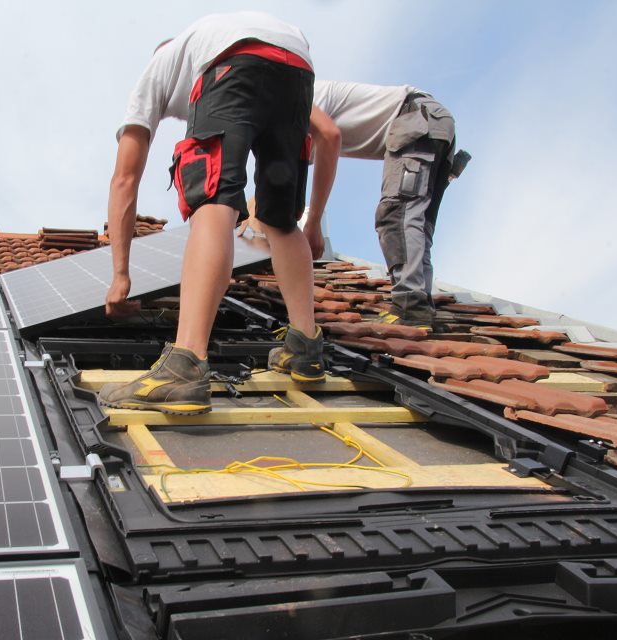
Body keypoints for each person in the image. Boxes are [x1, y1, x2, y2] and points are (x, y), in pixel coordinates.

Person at [99, 12, 325, 416]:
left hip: (235, 64)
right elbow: (326, 128)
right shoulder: (212, 36)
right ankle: (305, 348)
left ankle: (185, 364)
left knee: (213, 193)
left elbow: (124, 179)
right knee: (279, 218)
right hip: (297, 70)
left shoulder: (159, 69)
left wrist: (120, 276)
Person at [297, 81, 466, 327]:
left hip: (416, 118)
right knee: (417, 222)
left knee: (397, 215)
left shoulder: (298, 98)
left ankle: (410, 304)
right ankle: (418, 301)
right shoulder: (300, 112)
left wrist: (312, 224)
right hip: (432, 122)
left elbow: (296, 170)